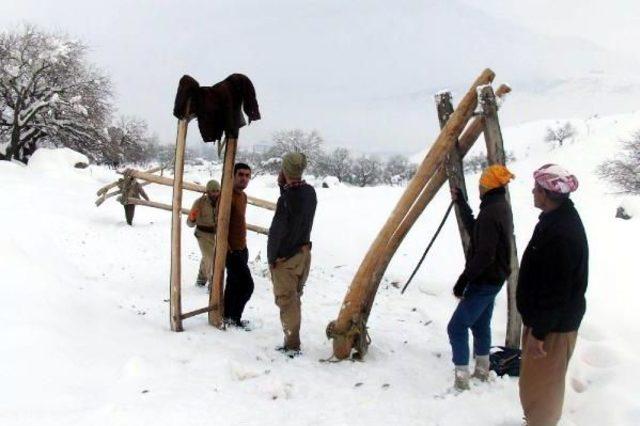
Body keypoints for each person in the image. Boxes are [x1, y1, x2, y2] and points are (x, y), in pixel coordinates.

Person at [517, 164, 588, 426]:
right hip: (546, 323)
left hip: (552, 328)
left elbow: (557, 290)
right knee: (535, 385)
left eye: (536, 188)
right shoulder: (555, 221)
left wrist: (539, 333)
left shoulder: (562, 234)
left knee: (543, 391)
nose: (533, 192)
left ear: (547, 194)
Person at [447, 165, 515, 390]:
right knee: (480, 324)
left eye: (481, 184)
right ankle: (483, 370)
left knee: (456, 327)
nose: (479, 187)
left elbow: (485, 254)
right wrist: (463, 204)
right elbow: (477, 230)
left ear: (488, 186)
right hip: (495, 278)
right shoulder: (498, 207)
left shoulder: (491, 212)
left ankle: (461, 378)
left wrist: (464, 280)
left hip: (485, 279)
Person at [267, 153, 317, 356]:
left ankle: (292, 345)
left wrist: (272, 259)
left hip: (286, 259)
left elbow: (277, 231)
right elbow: (295, 201)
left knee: (287, 301)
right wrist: (284, 184)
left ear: (285, 171)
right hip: (303, 254)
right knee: (295, 298)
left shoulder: (286, 200)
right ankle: (292, 339)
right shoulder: (309, 192)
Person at [223, 163, 255, 328]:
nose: (244, 178)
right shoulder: (227, 196)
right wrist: (229, 250)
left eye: (247, 175)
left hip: (242, 248)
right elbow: (221, 225)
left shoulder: (243, 196)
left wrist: (243, 247)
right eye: (241, 174)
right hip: (231, 251)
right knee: (247, 286)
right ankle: (234, 316)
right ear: (233, 176)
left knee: (233, 284)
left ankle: (228, 316)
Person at [186, 180, 220, 287]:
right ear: (208, 191)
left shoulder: (223, 202)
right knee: (211, 258)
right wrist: (192, 218)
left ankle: (201, 279)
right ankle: (213, 285)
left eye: (217, 191)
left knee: (207, 256)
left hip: (217, 234)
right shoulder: (199, 203)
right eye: (212, 191)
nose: (215, 193)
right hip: (202, 234)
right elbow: (189, 223)